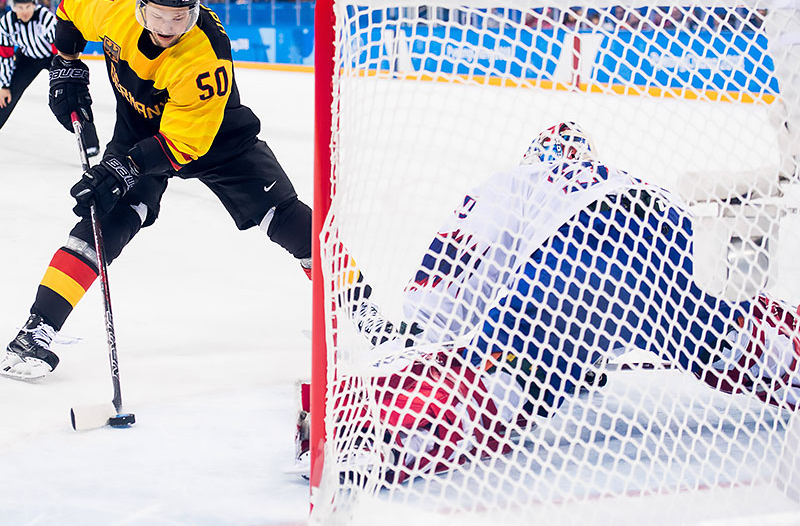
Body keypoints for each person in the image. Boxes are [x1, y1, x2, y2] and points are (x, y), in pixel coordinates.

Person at [297, 122, 800, 483]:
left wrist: (423, 335)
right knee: (745, 344)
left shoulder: (520, 179)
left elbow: (460, 259)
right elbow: (646, 271)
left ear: (535, 153)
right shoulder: (622, 173)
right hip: (671, 249)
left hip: (571, 263)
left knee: (492, 384)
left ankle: (358, 427)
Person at [0, 0, 313, 380]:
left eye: (180, 17)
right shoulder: (114, 8)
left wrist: (122, 169)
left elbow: (182, 145)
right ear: (142, 2)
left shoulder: (204, 58)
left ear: (195, 7)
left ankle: (360, 309)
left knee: (285, 219)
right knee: (105, 214)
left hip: (216, 138)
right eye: (159, 15)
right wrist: (65, 64)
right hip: (140, 130)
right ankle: (37, 329)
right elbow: (70, 7)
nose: (167, 28)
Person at [0, 0, 99, 161]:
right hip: (27, 59)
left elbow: (59, 44)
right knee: (4, 98)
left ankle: (90, 143)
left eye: (28, 6)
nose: (24, 11)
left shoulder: (45, 18)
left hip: (52, 57)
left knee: (71, 93)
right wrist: (5, 86)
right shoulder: (7, 22)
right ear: (13, 7)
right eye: (20, 7)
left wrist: (64, 71)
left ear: (34, 4)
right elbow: (3, 54)